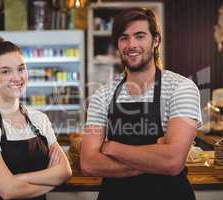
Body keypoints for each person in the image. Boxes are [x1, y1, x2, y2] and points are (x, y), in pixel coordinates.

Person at [80, 7, 201, 200]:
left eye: (139, 36)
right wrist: (155, 159)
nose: (131, 44)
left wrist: (113, 148)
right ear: (118, 44)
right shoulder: (102, 95)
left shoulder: (181, 88)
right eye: (124, 38)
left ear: (156, 40)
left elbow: (172, 162)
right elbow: (88, 164)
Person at [0, 36, 72, 200]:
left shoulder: (39, 119)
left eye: (21, 69)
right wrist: (52, 180)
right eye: (6, 71)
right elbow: (8, 191)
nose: (17, 77)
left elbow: (65, 171)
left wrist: (18, 179)